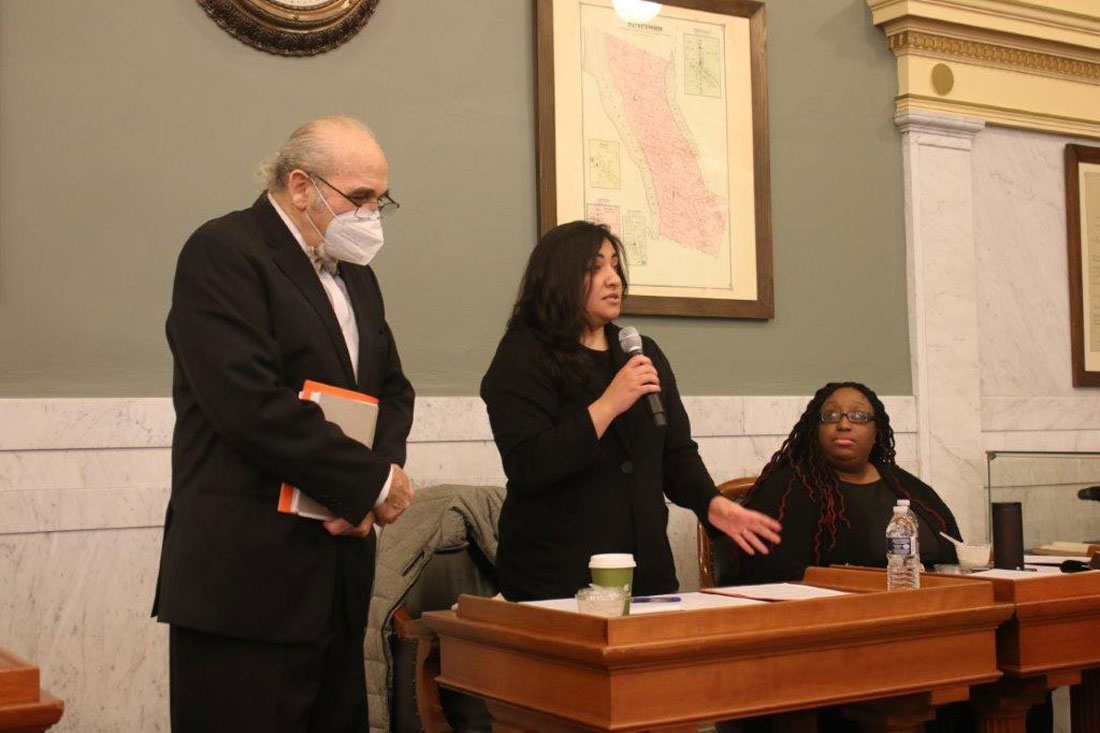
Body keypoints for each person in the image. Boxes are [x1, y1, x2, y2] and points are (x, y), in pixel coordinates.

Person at [152, 116, 416, 732]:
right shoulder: (223, 251)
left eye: (381, 200)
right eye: (359, 198)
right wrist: (372, 484)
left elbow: (393, 390)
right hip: (247, 587)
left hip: (335, 578)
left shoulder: (358, 277)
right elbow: (250, 404)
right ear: (301, 186)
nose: (371, 215)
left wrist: (369, 490)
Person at [480, 220, 781, 601]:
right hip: (555, 576)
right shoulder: (523, 355)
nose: (613, 279)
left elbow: (675, 452)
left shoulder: (641, 352)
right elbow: (529, 465)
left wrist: (711, 503)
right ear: (559, 278)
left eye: (615, 266)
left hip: (647, 571)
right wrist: (608, 404)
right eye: (595, 267)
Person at [726, 381, 960, 585]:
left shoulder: (908, 486)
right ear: (814, 429)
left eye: (858, 416)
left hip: (932, 604)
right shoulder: (784, 491)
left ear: (876, 430)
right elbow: (769, 578)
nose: (844, 425)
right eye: (831, 416)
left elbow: (955, 555)